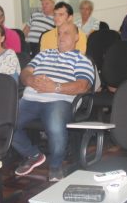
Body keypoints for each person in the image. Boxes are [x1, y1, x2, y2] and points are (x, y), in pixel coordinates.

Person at [12, 22, 94, 182]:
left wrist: (55, 87)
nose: (61, 37)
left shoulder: (82, 60)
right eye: (59, 33)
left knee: (55, 126)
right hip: (31, 98)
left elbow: (83, 86)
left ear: (77, 37)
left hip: (59, 100)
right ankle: (33, 155)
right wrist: (31, 80)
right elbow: (24, 73)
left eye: (66, 33)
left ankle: (56, 166)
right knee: (6, 124)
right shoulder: (44, 54)